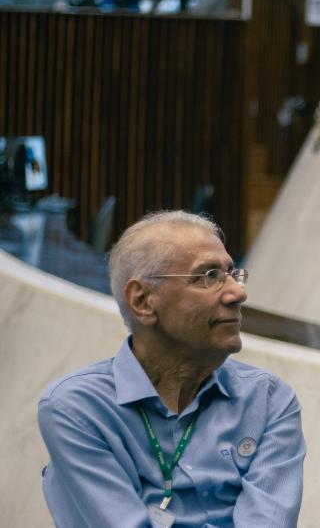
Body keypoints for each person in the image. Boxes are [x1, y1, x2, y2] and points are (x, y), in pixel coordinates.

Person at [38, 211, 306, 527]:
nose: (238, 293)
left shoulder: (268, 400)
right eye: (209, 276)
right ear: (142, 301)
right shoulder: (79, 408)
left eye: (233, 273)